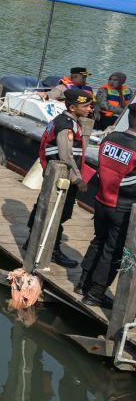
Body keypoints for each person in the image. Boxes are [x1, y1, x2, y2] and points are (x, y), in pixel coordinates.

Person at [24, 89, 95, 268]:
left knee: (47, 206)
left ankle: (32, 239)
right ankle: (52, 250)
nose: (89, 109)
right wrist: (78, 179)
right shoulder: (65, 126)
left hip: (55, 175)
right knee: (58, 213)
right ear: (72, 107)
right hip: (61, 177)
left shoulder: (67, 121)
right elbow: (66, 155)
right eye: (86, 106)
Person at [77, 103, 136, 308]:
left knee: (98, 241)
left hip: (101, 200)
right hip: (123, 207)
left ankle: (82, 283)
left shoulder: (110, 138)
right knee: (112, 251)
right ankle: (94, 295)